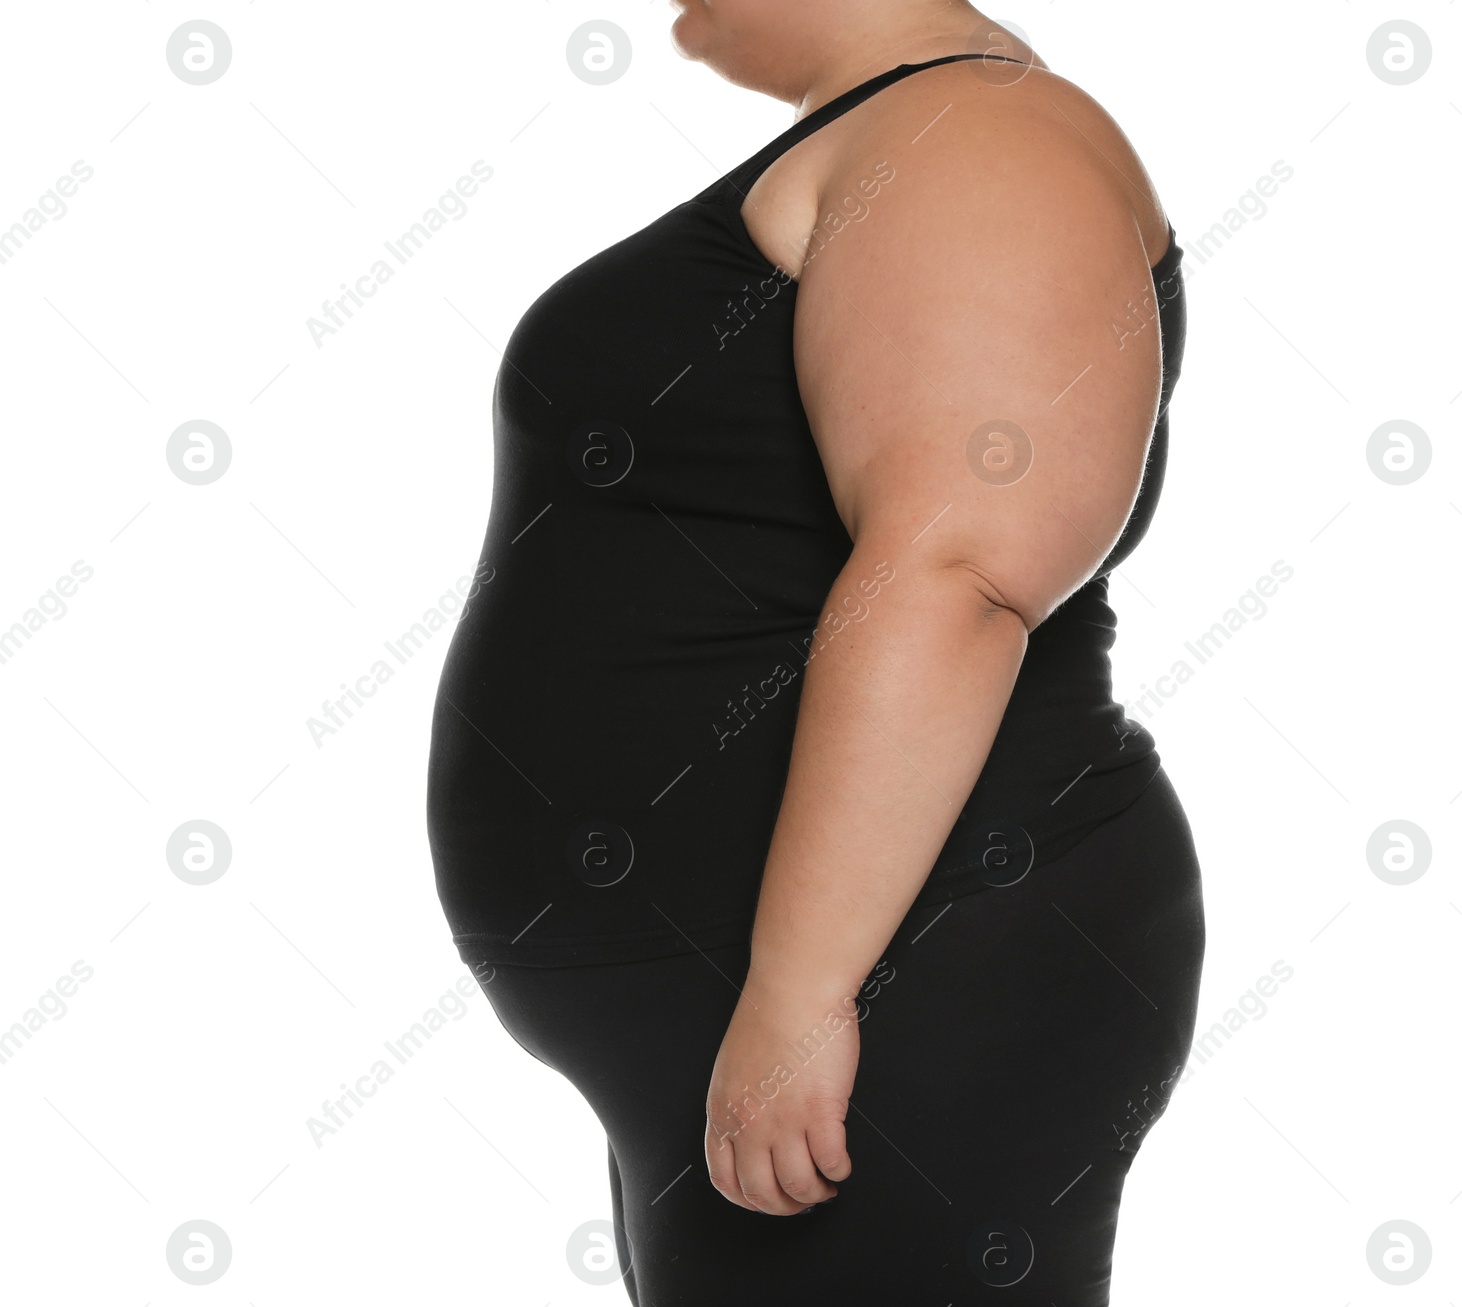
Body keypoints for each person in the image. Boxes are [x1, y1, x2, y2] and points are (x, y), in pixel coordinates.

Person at [426, 3, 1204, 1301]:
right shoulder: (892, 141)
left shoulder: (980, 143)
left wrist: (800, 993)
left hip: (913, 978)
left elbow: (958, 572)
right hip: (790, 1012)